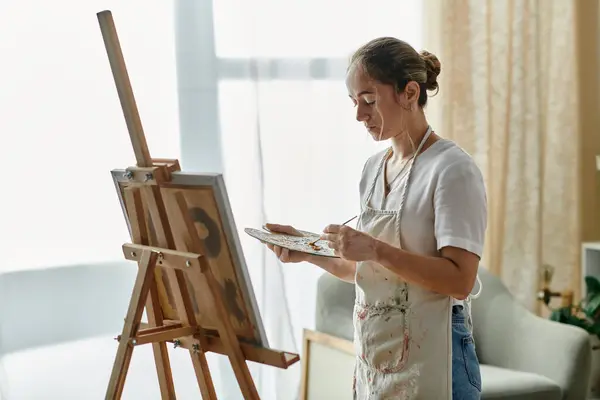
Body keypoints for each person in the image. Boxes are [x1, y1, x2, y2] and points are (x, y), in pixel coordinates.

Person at [263, 37, 486, 399]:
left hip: (438, 349)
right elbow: (367, 271)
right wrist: (307, 250)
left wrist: (376, 249)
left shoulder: (452, 169)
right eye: (354, 102)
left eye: (368, 100)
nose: (358, 115)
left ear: (409, 93)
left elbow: (460, 280)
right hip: (377, 355)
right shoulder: (372, 169)